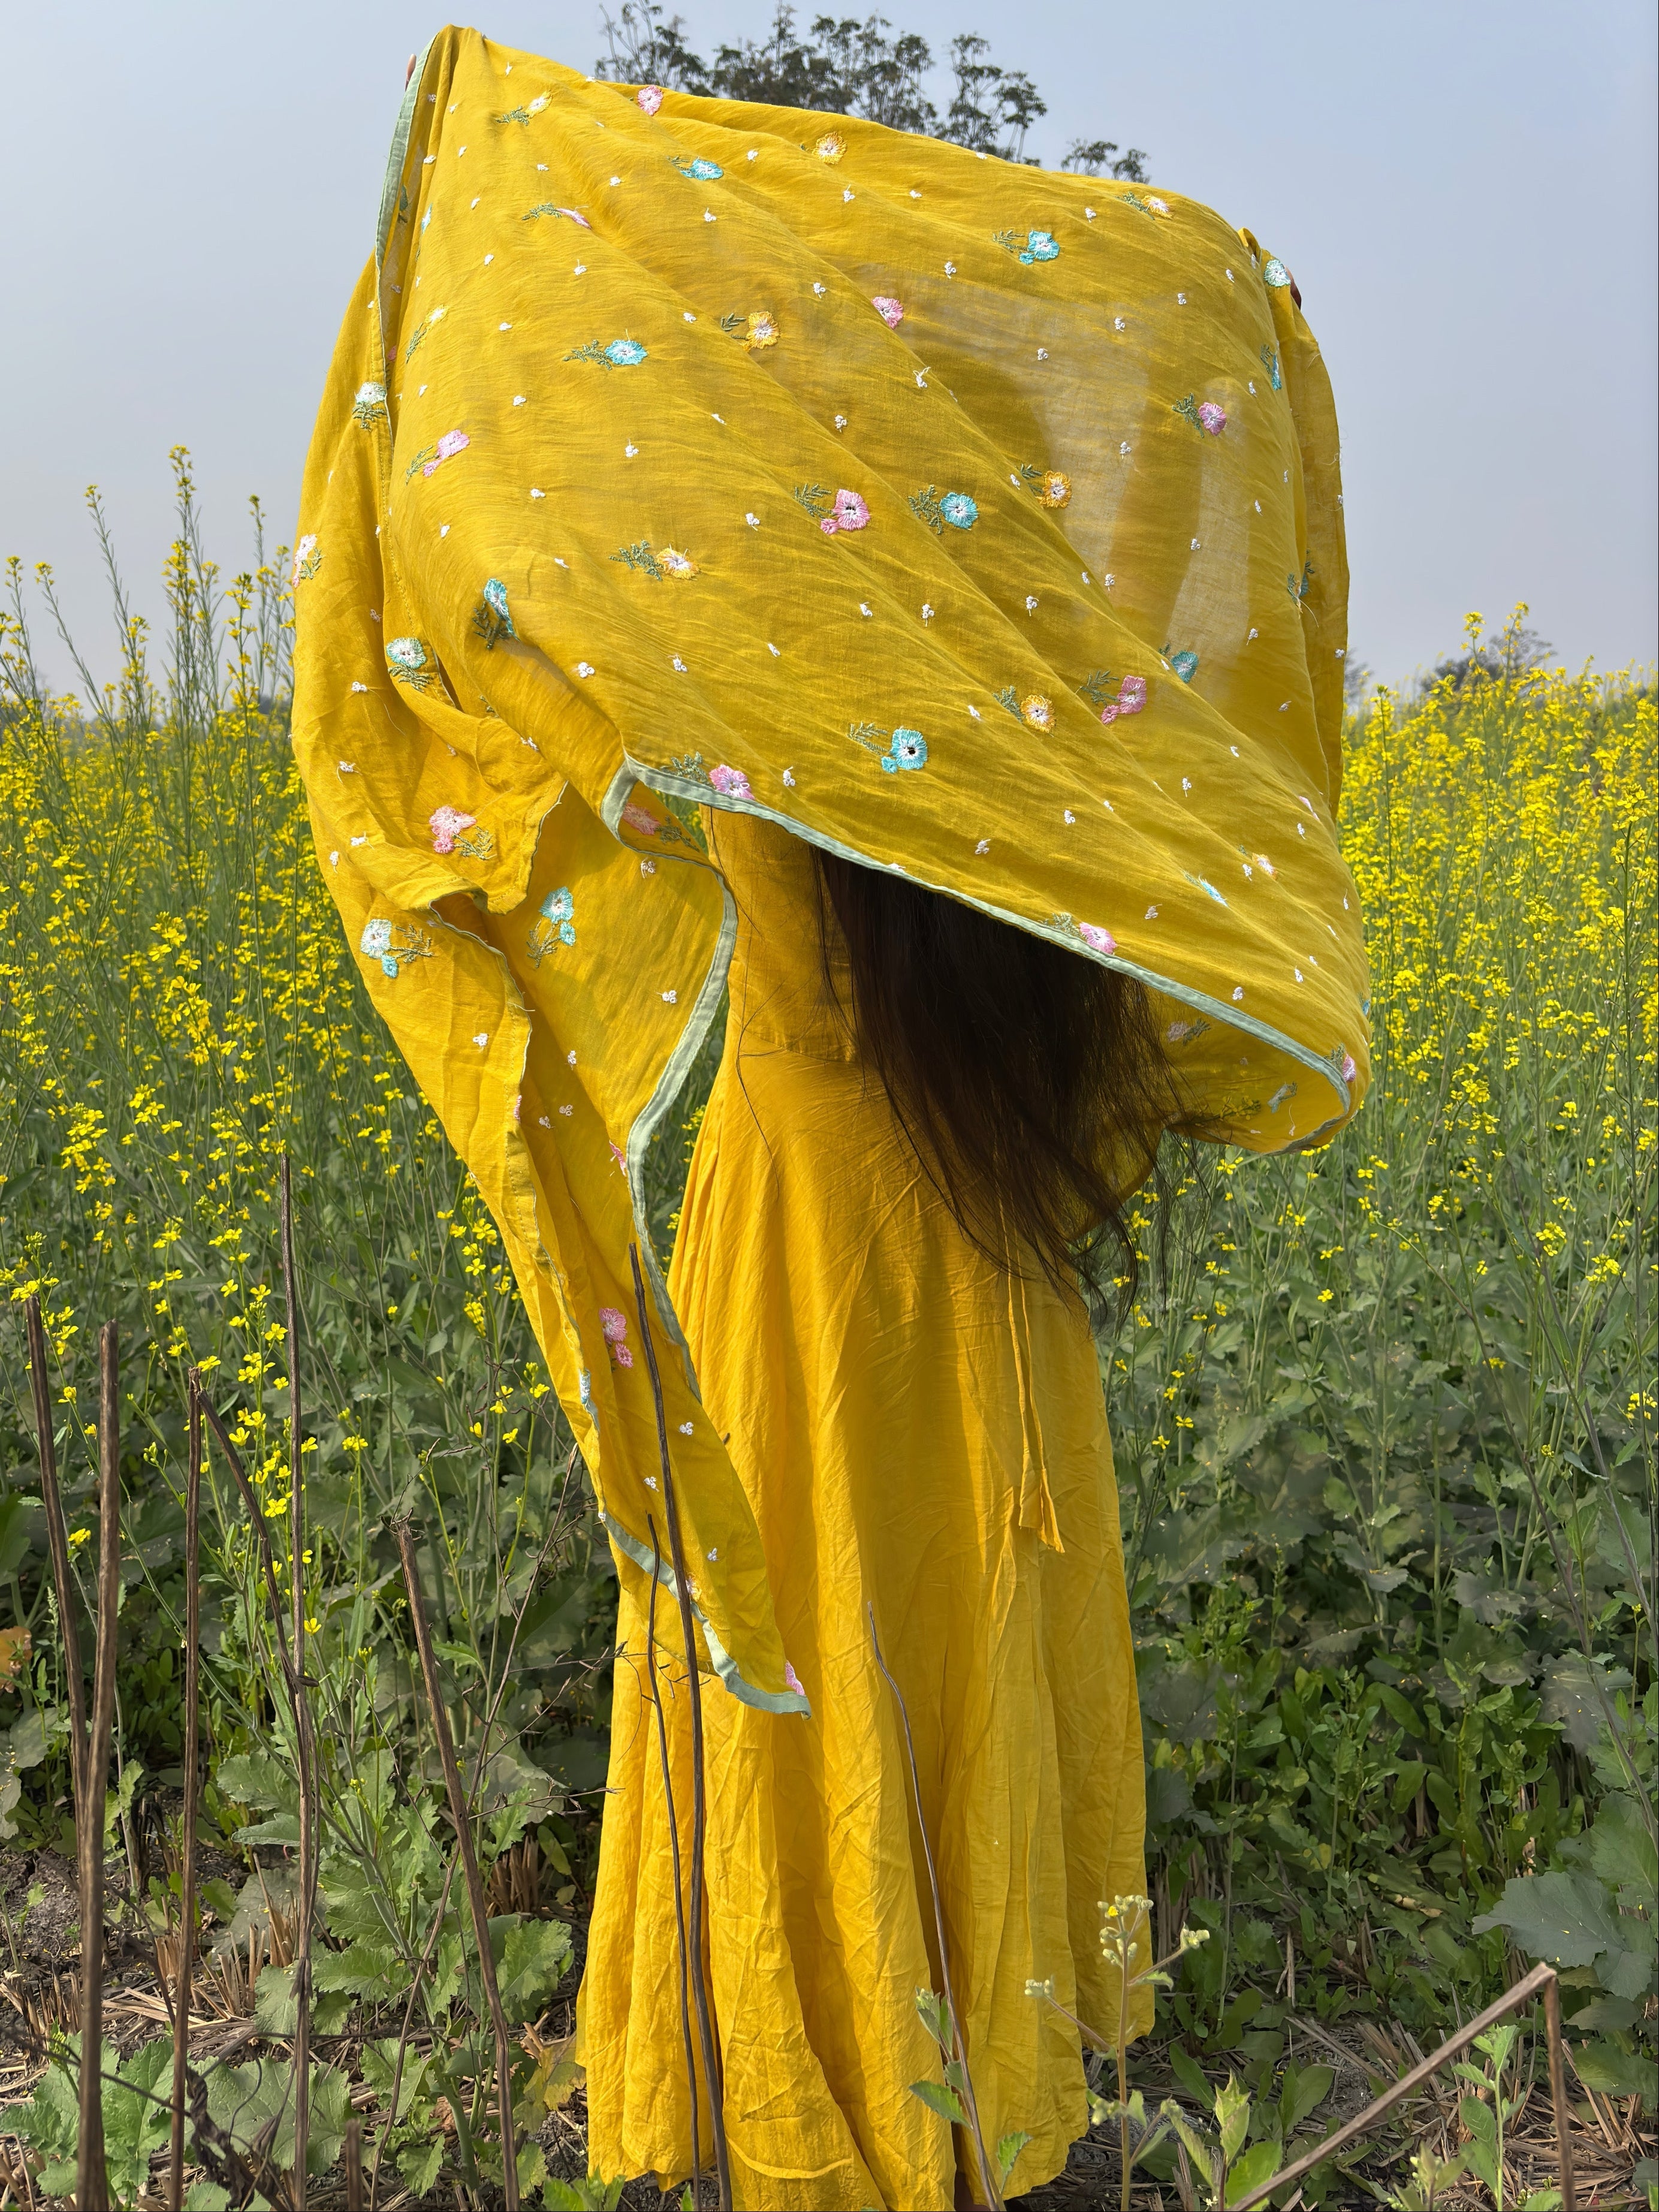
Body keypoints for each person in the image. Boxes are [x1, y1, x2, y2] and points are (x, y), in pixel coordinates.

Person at [295, 28, 1367, 2207]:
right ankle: (977, 2067)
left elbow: (504, 649)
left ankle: (811, 2083)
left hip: (790, 1260)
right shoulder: (1050, 732)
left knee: (808, 1645)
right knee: (966, 1611)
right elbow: (1148, 523)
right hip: (985, 1265)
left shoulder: (734, 710)